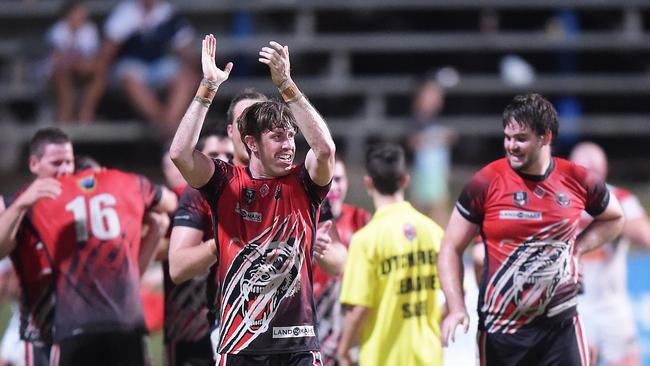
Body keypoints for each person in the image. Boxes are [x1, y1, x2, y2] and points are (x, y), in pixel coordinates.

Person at [169, 34, 335, 364]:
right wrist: (207, 88)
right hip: (241, 344)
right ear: (252, 144)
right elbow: (180, 153)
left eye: (290, 137)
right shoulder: (226, 182)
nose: (288, 145)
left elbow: (325, 149)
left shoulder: (303, 183)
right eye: (277, 137)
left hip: (297, 346)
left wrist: (287, 85)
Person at [438, 93, 625, 366]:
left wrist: (577, 249)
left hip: (561, 326)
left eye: (521, 139)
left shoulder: (576, 179)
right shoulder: (486, 182)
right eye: (507, 137)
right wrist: (456, 307)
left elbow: (614, 217)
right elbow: (450, 248)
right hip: (502, 332)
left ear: (545, 137)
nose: (511, 146)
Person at [337, 142, 444, 366]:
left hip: (382, 358)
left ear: (368, 183)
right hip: (428, 355)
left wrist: (344, 349)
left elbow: (360, 308)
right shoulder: (434, 232)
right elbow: (455, 296)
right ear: (405, 179)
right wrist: (431, 325)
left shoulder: (365, 240)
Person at [570, 142, 650, 366]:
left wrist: (613, 220)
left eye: (595, 170)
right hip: (573, 305)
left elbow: (645, 236)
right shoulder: (559, 203)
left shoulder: (619, 200)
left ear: (604, 170)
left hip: (611, 305)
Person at [79, 0, 197, 137]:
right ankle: (163, 123)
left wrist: (195, 70)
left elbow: (184, 49)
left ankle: (168, 123)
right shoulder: (125, 13)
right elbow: (108, 50)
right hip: (131, 63)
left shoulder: (169, 13)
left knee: (186, 78)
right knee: (130, 79)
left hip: (159, 63)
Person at [313, 157, 370, 366]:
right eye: (330, 180)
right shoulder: (308, 220)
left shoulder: (362, 219)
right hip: (314, 323)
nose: (334, 186)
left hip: (351, 322)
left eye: (339, 179)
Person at [408, 78, 456, 226]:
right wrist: (435, 138)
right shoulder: (418, 118)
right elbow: (414, 142)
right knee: (423, 207)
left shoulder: (437, 119)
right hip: (426, 169)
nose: (436, 98)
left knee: (438, 207)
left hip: (437, 169)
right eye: (432, 94)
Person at [46, 0, 100, 123]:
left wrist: (81, 64)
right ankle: (65, 114)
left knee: (99, 74)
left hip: (81, 71)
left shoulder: (89, 30)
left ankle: (85, 113)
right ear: (68, 14)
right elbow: (57, 58)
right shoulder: (58, 30)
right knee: (62, 73)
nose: (81, 16)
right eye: (77, 13)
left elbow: (90, 57)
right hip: (59, 72)